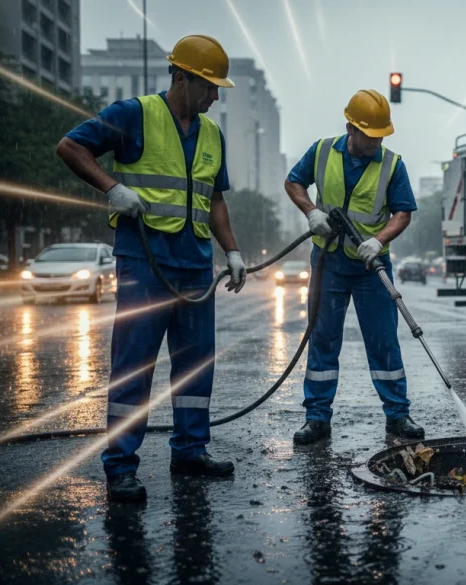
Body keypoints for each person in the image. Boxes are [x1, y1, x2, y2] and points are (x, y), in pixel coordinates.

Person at [56, 35, 246, 502]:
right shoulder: (133, 114)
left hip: (196, 264)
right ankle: (120, 467)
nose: (216, 96)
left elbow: (214, 199)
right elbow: (70, 147)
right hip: (144, 259)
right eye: (210, 86)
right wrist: (110, 187)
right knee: (134, 364)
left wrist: (233, 251)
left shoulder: (211, 134)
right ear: (181, 78)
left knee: (195, 365)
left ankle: (190, 450)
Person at [284, 89, 425, 445]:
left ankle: (398, 415)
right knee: (323, 338)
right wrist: (311, 212)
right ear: (350, 127)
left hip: (370, 267)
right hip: (328, 263)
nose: (377, 141)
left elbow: (403, 212)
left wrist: (378, 240)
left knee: (383, 342)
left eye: (381, 135)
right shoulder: (321, 151)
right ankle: (317, 418)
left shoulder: (392, 164)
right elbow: (293, 182)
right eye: (370, 135)